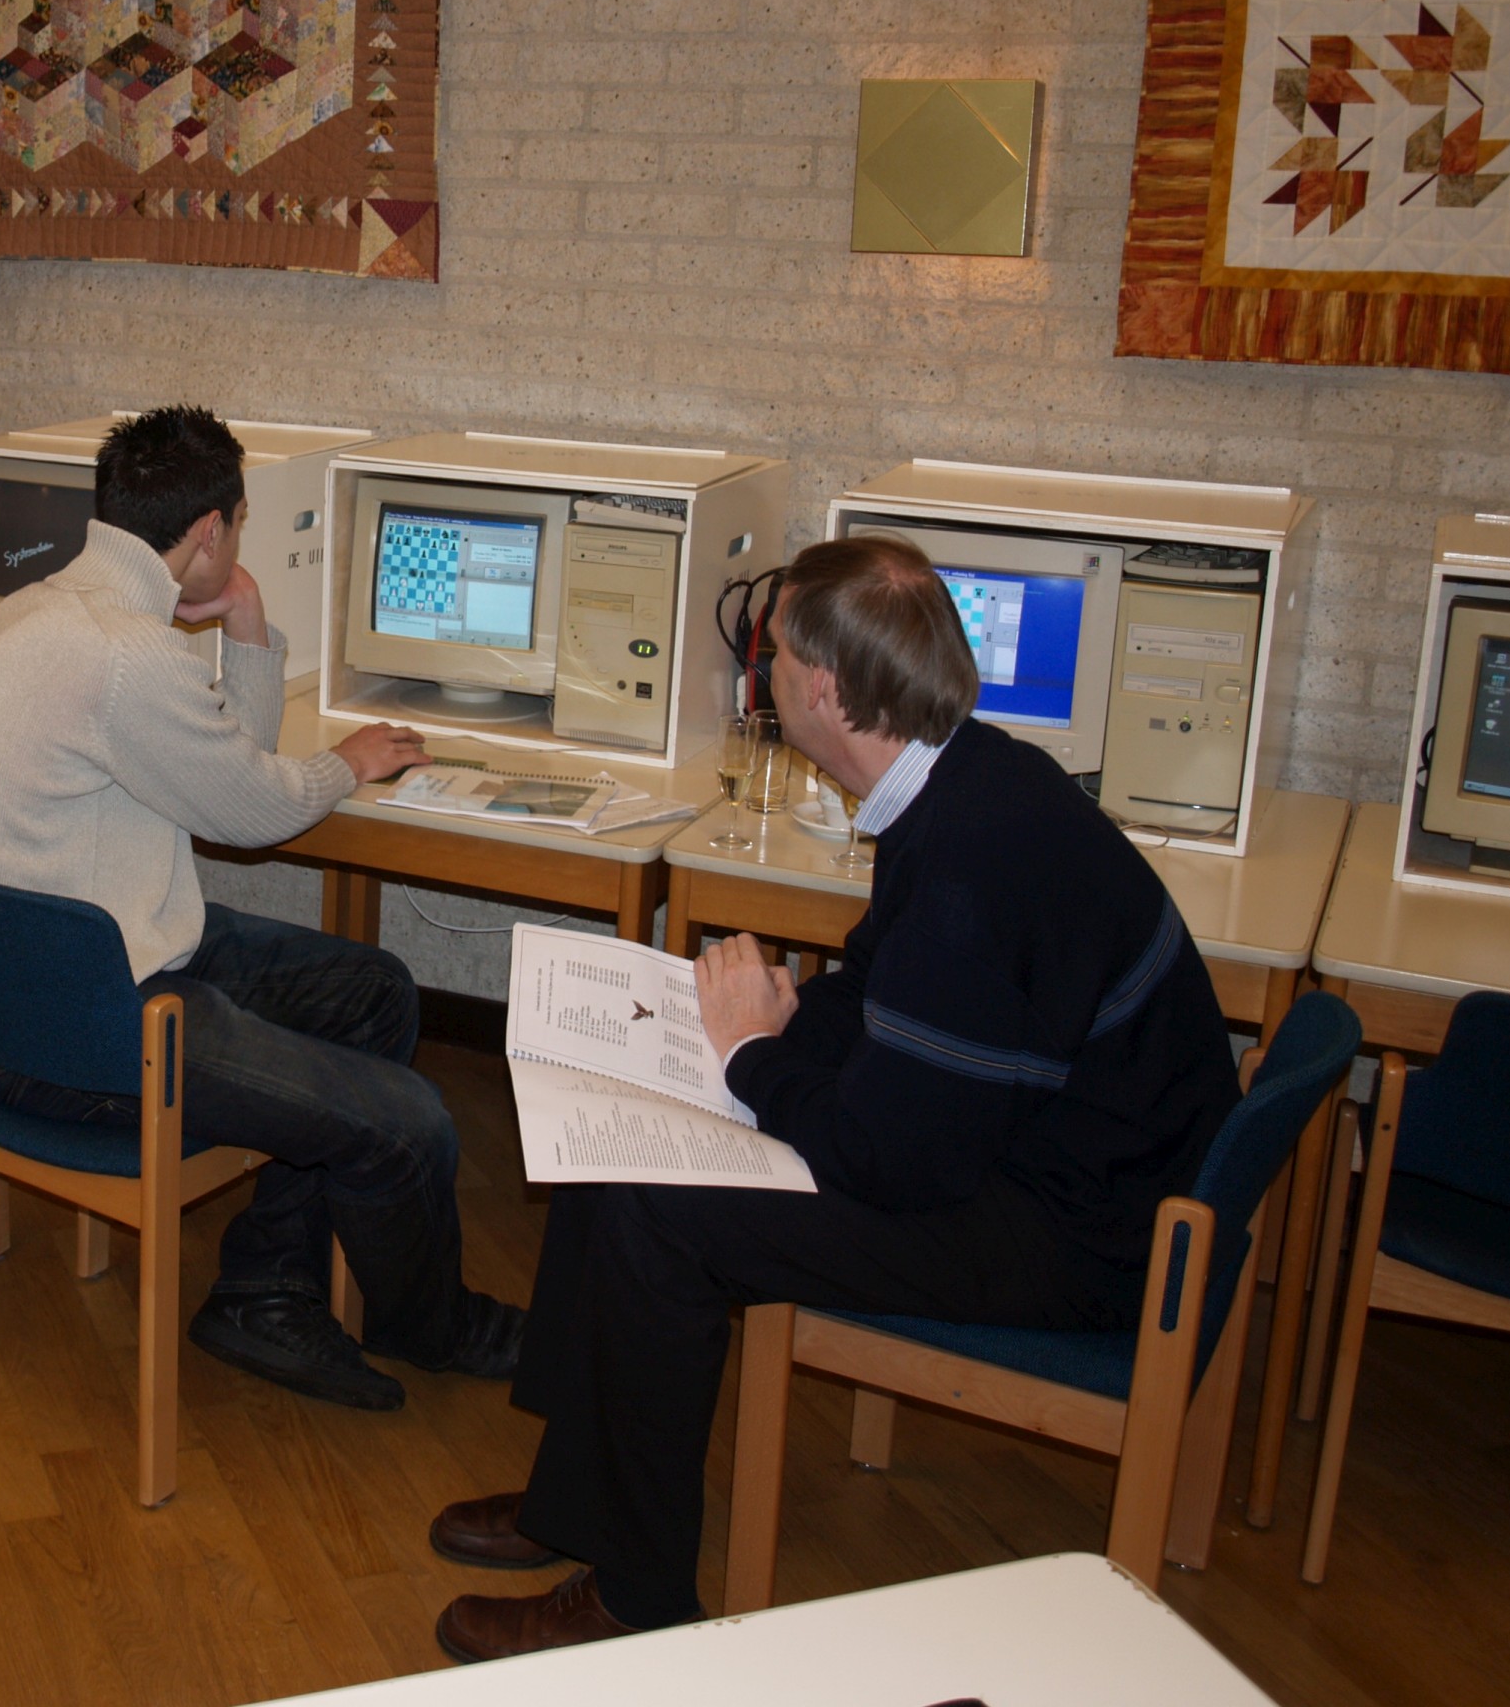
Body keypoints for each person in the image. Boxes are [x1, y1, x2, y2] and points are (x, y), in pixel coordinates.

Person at [426, 532, 1239, 1662]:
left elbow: (892, 1161)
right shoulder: (968, 777)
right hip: (1040, 1157)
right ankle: (581, 1497)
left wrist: (751, 1059)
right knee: (612, 1133)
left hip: (1073, 1231)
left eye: (772, 658)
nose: (759, 676)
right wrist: (779, 1017)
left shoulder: (973, 859)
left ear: (819, 689)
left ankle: (637, 1595)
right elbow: (886, 991)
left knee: (660, 1212)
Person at [0, 405, 526, 1411]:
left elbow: (225, 762)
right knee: (409, 1122)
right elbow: (256, 812)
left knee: (371, 990)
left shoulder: (32, 609)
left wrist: (243, 620)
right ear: (209, 530)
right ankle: (436, 1327)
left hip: (11, 984)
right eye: (237, 526)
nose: (238, 541)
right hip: (77, 1027)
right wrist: (348, 761)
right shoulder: (128, 656)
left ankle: (266, 1289)